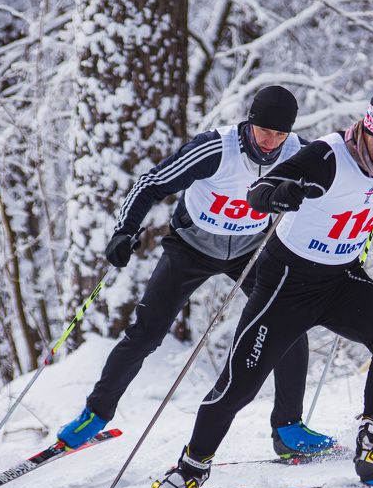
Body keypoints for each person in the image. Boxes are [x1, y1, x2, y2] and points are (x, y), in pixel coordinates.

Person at [151, 42, 373, 488]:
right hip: (286, 283)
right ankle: (192, 467)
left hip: (340, 279)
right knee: (240, 383)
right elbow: (261, 188)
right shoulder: (329, 155)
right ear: (369, 133)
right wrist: (279, 194)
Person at [57, 86, 337, 459]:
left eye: (279, 134)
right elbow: (151, 183)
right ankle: (94, 415)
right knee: (146, 334)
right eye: (263, 131)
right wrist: (125, 231)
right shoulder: (216, 149)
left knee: (287, 326)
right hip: (191, 247)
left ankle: (288, 429)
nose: (270, 142)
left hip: (251, 251)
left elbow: (337, 193)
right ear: (249, 123)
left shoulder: (298, 153)